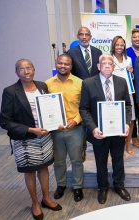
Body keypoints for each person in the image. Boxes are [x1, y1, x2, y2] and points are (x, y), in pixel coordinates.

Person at [0, 59, 62, 220]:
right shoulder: (10, 91)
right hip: (25, 138)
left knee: (44, 168)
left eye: (29, 68)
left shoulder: (42, 86)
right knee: (30, 171)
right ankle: (35, 203)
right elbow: (5, 121)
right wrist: (31, 130)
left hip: (44, 137)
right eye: (22, 69)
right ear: (16, 72)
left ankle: (46, 198)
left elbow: (50, 110)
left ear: (34, 70)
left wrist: (56, 123)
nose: (26, 71)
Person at [79, 54, 132, 204]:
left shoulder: (121, 82)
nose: (107, 66)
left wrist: (127, 123)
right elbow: (84, 109)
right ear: (98, 66)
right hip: (99, 133)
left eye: (110, 63)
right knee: (100, 161)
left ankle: (119, 186)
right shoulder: (88, 83)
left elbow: (128, 106)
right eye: (104, 63)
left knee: (118, 160)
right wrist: (93, 128)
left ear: (114, 66)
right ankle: (102, 187)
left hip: (118, 131)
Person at [45, 54, 84, 202]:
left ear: (71, 66)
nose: (63, 66)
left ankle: (78, 187)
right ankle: (61, 185)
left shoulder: (79, 83)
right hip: (56, 130)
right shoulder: (47, 84)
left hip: (75, 129)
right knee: (59, 161)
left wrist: (76, 120)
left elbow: (84, 106)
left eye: (66, 64)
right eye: (60, 63)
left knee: (76, 160)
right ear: (56, 64)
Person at [67, 26, 103, 162]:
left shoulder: (97, 52)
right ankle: (82, 149)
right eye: (81, 34)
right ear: (78, 36)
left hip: (95, 92)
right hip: (79, 92)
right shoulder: (71, 53)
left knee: (94, 119)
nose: (84, 37)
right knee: (81, 121)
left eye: (86, 34)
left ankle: (97, 145)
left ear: (90, 36)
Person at [110, 36, 135, 155]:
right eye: (117, 44)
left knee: (130, 118)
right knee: (116, 118)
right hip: (114, 93)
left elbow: (131, 78)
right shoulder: (109, 59)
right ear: (113, 46)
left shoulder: (128, 59)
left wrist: (131, 72)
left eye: (122, 44)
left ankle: (128, 143)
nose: (119, 47)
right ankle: (118, 145)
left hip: (128, 91)